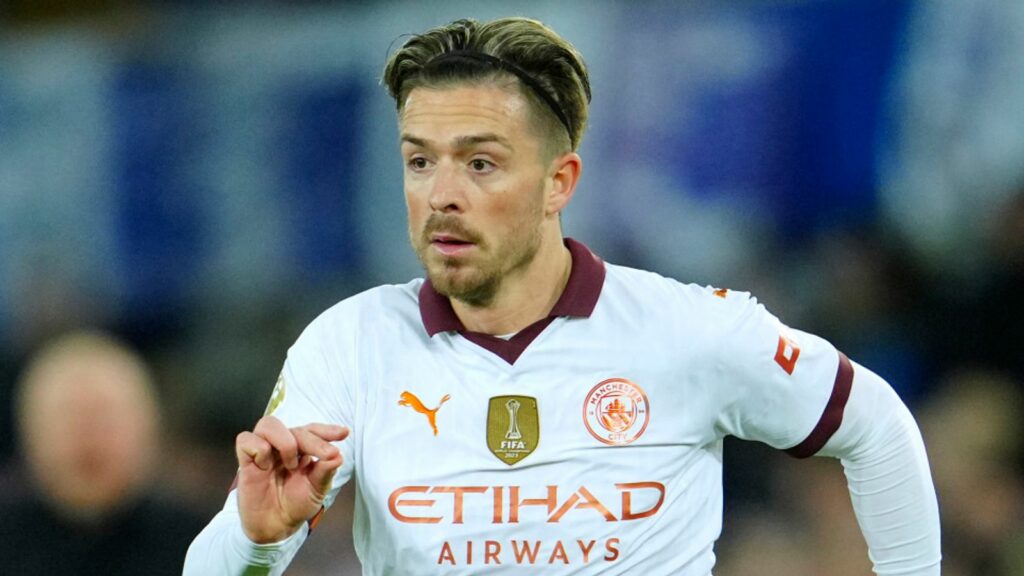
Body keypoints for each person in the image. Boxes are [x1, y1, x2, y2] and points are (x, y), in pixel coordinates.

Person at [185, 17, 941, 575]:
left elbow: (875, 426)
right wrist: (255, 539)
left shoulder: (686, 330)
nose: (441, 195)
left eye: (480, 164)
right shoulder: (350, 344)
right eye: (419, 162)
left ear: (559, 183)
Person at [0, 331, 206, 575]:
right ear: (28, 430)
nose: (88, 436)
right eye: (68, 417)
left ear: (150, 427)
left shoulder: (203, 542)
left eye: (104, 417)